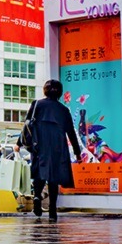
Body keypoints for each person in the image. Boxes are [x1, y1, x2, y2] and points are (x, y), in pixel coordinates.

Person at [16, 80, 82, 221]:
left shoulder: (37, 104)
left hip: (39, 144)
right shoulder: (64, 110)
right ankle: (52, 210)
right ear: (60, 92)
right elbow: (71, 132)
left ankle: (37, 196)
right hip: (58, 146)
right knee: (54, 177)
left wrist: (19, 143)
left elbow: (26, 125)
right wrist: (77, 152)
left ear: (45, 90)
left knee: (39, 173)